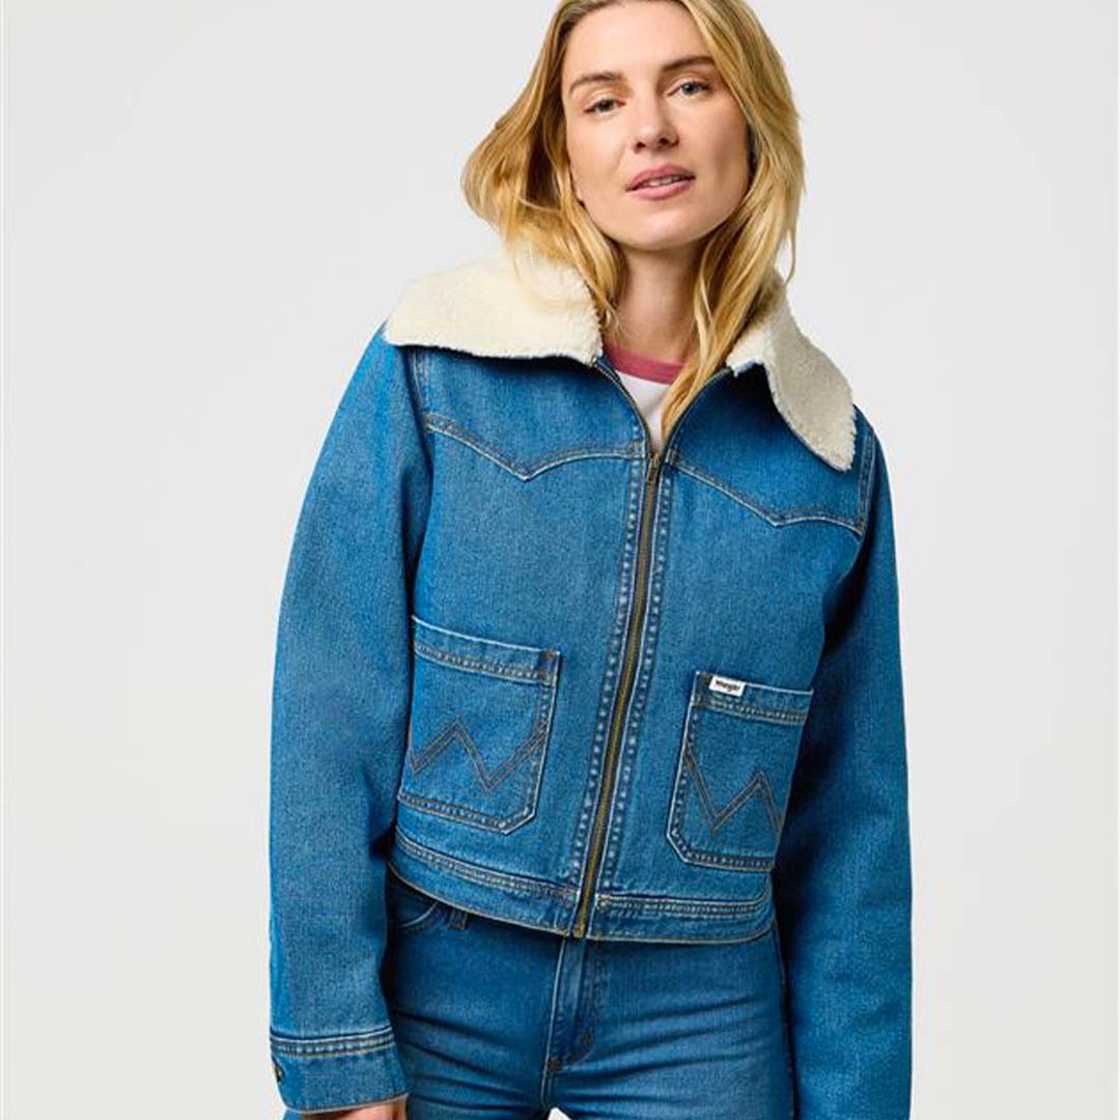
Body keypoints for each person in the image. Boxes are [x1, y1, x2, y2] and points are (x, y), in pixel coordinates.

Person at [268, 1, 912, 1118]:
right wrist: (337, 1048)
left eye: (690, 85)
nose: (649, 126)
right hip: (441, 976)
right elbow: (329, 714)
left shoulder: (825, 454)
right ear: (562, 155)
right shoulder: (437, 368)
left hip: (701, 1007)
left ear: (752, 122)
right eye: (602, 101)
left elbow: (854, 826)